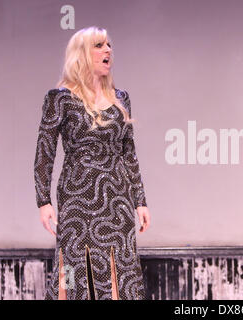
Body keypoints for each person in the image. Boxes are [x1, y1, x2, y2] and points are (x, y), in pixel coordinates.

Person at [34, 26, 151, 300]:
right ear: (83, 54)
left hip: (116, 199)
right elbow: (44, 152)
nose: (108, 50)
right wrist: (43, 201)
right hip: (77, 198)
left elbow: (128, 153)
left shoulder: (121, 99)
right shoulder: (60, 98)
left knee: (118, 273)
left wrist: (140, 200)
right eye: (99, 45)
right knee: (73, 271)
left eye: (109, 44)